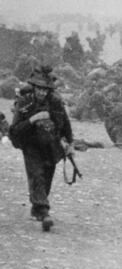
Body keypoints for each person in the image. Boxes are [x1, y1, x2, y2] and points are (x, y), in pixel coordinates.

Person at [8, 66, 74, 232]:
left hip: (51, 145)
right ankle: (44, 212)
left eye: (45, 90)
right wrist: (33, 119)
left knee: (47, 177)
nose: (42, 93)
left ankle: (37, 208)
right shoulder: (25, 102)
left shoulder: (56, 102)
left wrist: (70, 144)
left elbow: (65, 124)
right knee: (36, 175)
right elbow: (14, 131)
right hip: (31, 145)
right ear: (34, 88)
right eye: (39, 89)